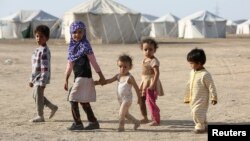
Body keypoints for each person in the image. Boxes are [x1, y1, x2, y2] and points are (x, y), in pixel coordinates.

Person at [64, 21, 105, 131]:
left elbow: (94, 62)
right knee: (83, 101)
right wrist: (66, 79)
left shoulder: (86, 46)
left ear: (84, 32)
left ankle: (78, 123)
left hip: (85, 77)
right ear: (71, 33)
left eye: (80, 32)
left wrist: (101, 76)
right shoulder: (72, 49)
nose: (77, 34)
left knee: (72, 99)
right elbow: (69, 65)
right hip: (78, 78)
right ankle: (93, 122)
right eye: (74, 32)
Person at [95, 54, 141, 132]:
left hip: (127, 99)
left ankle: (121, 126)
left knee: (121, 113)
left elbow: (137, 88)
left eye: (125, 67)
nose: (122, 69)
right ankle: (136, 122)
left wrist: (139, 98)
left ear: (130, 67)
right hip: (121, 99)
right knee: (126, 114)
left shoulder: (130, 78)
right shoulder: (118, 76)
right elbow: (108, 81)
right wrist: (97, 83)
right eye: (120, 66)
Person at [184, 48, 218, 134]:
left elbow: (211, 86)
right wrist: (187, 96)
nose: (190, 65)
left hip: (201, 99)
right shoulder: (192, 72)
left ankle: (200, 125)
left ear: (199, 63)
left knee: (197, 112)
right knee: (195, 111)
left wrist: (213, 97)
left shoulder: (205, 74)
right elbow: (189, 84)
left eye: (191, 63)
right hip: (193, 98)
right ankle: (204, 124)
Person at [29, 25, 58, 122]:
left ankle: (40, 115)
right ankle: (52, 107)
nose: (38, 38)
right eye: (37, 36)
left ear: (47, 38)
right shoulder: (37, 50)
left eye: (41, 36)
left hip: (41, 78)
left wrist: (43, 82)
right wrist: (31, 79)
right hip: (36, 78)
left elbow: (45, 68)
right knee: (36, 96)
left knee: (38, 95)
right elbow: (34, 67)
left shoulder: (45, 51)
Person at [139, 38, 164, 126]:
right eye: (145, 49)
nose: (148, 51)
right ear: (142, 49)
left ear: (154, 50)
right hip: (144, 82)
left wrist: (153, 84)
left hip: (151, 82)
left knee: (151, 101)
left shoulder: (154, 60)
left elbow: (157, 73)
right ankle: (145, 117)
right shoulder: (144, 59)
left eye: (150, 49)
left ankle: (156, 119)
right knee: (141, 100)